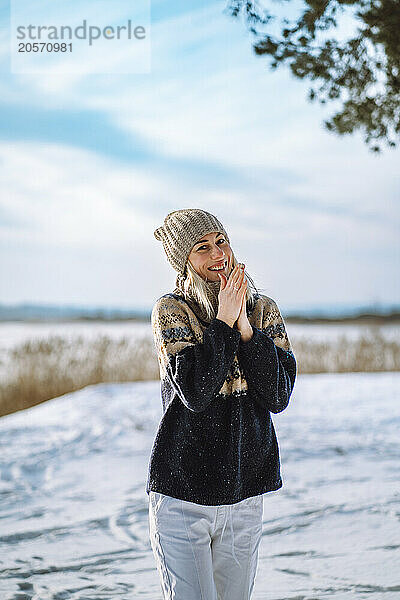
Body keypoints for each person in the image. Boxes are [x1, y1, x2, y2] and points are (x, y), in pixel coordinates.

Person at [146, 208, 297, 600]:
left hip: (244, 494)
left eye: (221, 241)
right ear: (185, 262)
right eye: (202, 247)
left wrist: (246, 329)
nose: (219, 254)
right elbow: (196, 393)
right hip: (183, 496)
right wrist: (224, 322)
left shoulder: (263, 310)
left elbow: (278, 395)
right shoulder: (172, 310)